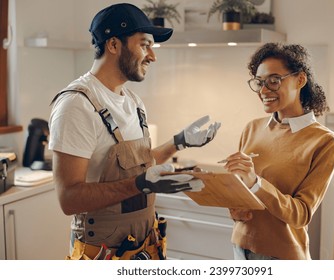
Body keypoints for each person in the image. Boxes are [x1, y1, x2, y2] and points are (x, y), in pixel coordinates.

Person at [48, 3, 221, 260]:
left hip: (144, 243)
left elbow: (139, 164)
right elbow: (69, 198)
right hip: (101, 253)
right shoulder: (76, 105)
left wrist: (179, 143)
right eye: (144, 44)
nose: (152, 56)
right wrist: (141, 184)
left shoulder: (132, 101)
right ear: (114, 45)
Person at [223, 43, 334, 260]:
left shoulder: (324, 141)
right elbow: (242, 193)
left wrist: (255, 182)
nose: (264, 90)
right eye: (259, 83)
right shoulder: (252, 128)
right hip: (240, 247)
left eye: (274, 81)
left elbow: (302, 214)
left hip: (281, 256)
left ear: (300, 80)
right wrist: (235, 207)